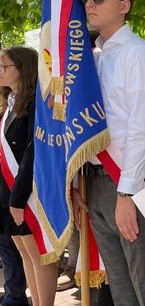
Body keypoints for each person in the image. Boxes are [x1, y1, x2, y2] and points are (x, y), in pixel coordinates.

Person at [73, 0, 145, 306]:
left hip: (129, 183)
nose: (89, 4)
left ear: (124, 5)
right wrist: (78, 182)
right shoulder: (91, 57)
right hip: (95, 181)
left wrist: (127, 193)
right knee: (120, 290)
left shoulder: (137, 54)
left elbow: (142, 131)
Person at [0, 46, 56, 306]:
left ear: (23, 69)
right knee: (24, 251)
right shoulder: (10, 102)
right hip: (8, 190)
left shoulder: (35, 103)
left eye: (4, 66)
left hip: (28, 191)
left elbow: (32, 152)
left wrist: (18, 197)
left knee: (38, 253)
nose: (0, 71)